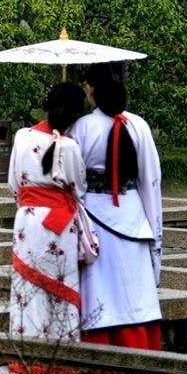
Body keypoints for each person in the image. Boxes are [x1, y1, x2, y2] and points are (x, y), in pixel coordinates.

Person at [71, 62, 163, 350]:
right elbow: (151, 180)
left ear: (93, 90)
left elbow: (73, 181)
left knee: (100, 292)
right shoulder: (139, 125)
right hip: (133, 215)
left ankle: (100, 369)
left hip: (94, 219)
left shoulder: (82, 127)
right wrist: (155, 231)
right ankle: (143, 363)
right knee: (134, 292)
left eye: (87, 84)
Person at [7, 83, 88, 361]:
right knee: (61, 289)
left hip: (28, 221)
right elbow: (80, 190)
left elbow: (14, 184)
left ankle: (27, 357)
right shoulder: (71, 147)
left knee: (27, 288)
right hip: (61, 223)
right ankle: (62, 358)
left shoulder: (22, 137)